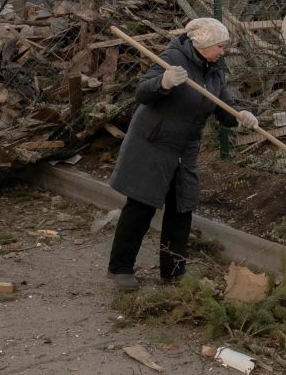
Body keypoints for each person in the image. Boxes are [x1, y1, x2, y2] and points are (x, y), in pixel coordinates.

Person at [106, 17, 258, 290]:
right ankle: (120, 268)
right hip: (153, 142)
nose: (223, 51)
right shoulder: (173, 57)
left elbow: (223, 107)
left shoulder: (214, 69)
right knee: (141, 206)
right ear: (204, 44)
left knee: (181, 208)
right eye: (220, 46)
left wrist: (240, 116)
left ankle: (174, 271)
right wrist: (163, 82)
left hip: (184, 147)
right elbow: (143, 92)